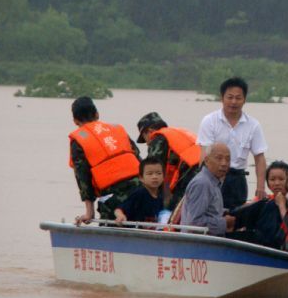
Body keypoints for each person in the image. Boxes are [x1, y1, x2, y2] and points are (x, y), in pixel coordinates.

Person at [196, 77, 268, 210]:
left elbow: (259, 158)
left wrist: (260, 187)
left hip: (238, 179)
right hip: (214, 177)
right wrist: (204, 180)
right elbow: (204, 155)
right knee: (210, 213)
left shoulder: (253, 125)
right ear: (222, 98)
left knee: (235, 218)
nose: (233, 102)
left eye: (238, 98)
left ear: (244, 100)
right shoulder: (209, 121)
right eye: (229, 97)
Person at [69, 96, 140, 225]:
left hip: (114, 199)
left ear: (75, 121)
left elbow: (82, 176)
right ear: (97, 114)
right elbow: (137, 155)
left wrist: (89, 212)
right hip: (142, 191)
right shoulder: (116, 129)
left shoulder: (79, 140)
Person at [136, 112, 201, 211]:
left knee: (170, 212)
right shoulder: (177, 133)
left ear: (149, 131)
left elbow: (151, 168)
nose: (147, 144)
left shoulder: (158, 139)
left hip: (190, 176)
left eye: (145, 139)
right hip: (205, 172)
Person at [227, 160, 288, 248]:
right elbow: (241, 215)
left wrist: (281, 205)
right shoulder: (265, 202)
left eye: (281, 179)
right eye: (272, 179)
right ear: (267, 182)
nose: (277, 183)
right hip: (258, 244)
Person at [181, 143, 236, 236]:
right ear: (206, 160)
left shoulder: (214, 181)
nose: (224, 163)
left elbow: (209, 211)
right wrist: (224, 223)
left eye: (228, 159)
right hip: (199, 244)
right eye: (219, 158)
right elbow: (194, 223)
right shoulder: (202, 183)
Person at [114, 157, 164, 224]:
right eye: (150, 174)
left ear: (163, 177)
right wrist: (120, 216)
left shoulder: (160, 197)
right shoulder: (139, 193)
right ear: (141, 178)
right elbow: (119, 209)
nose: (154, 177)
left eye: (158, 173)